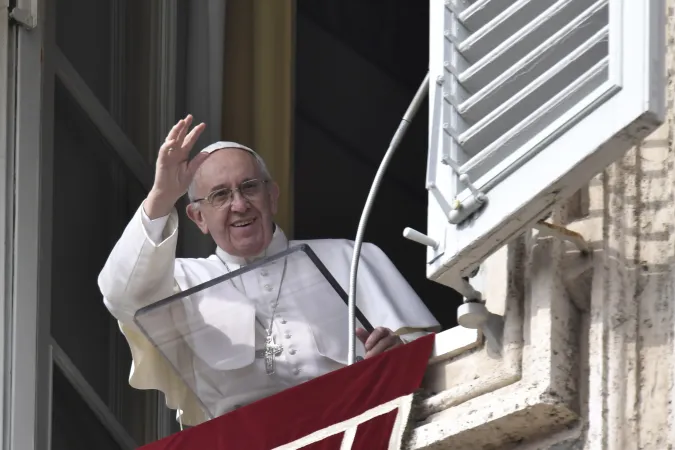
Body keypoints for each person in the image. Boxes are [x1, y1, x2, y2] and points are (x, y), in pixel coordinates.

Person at [98, 114, 440, 426]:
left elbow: (429, 358)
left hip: (357, 427)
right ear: (198, 217)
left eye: (249, 187)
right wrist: (161, 196)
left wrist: (397, 356)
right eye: (219, 195)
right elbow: (122, 296)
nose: (239, 204)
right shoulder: (182, 282)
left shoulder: (349, 258)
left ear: (272, 196)